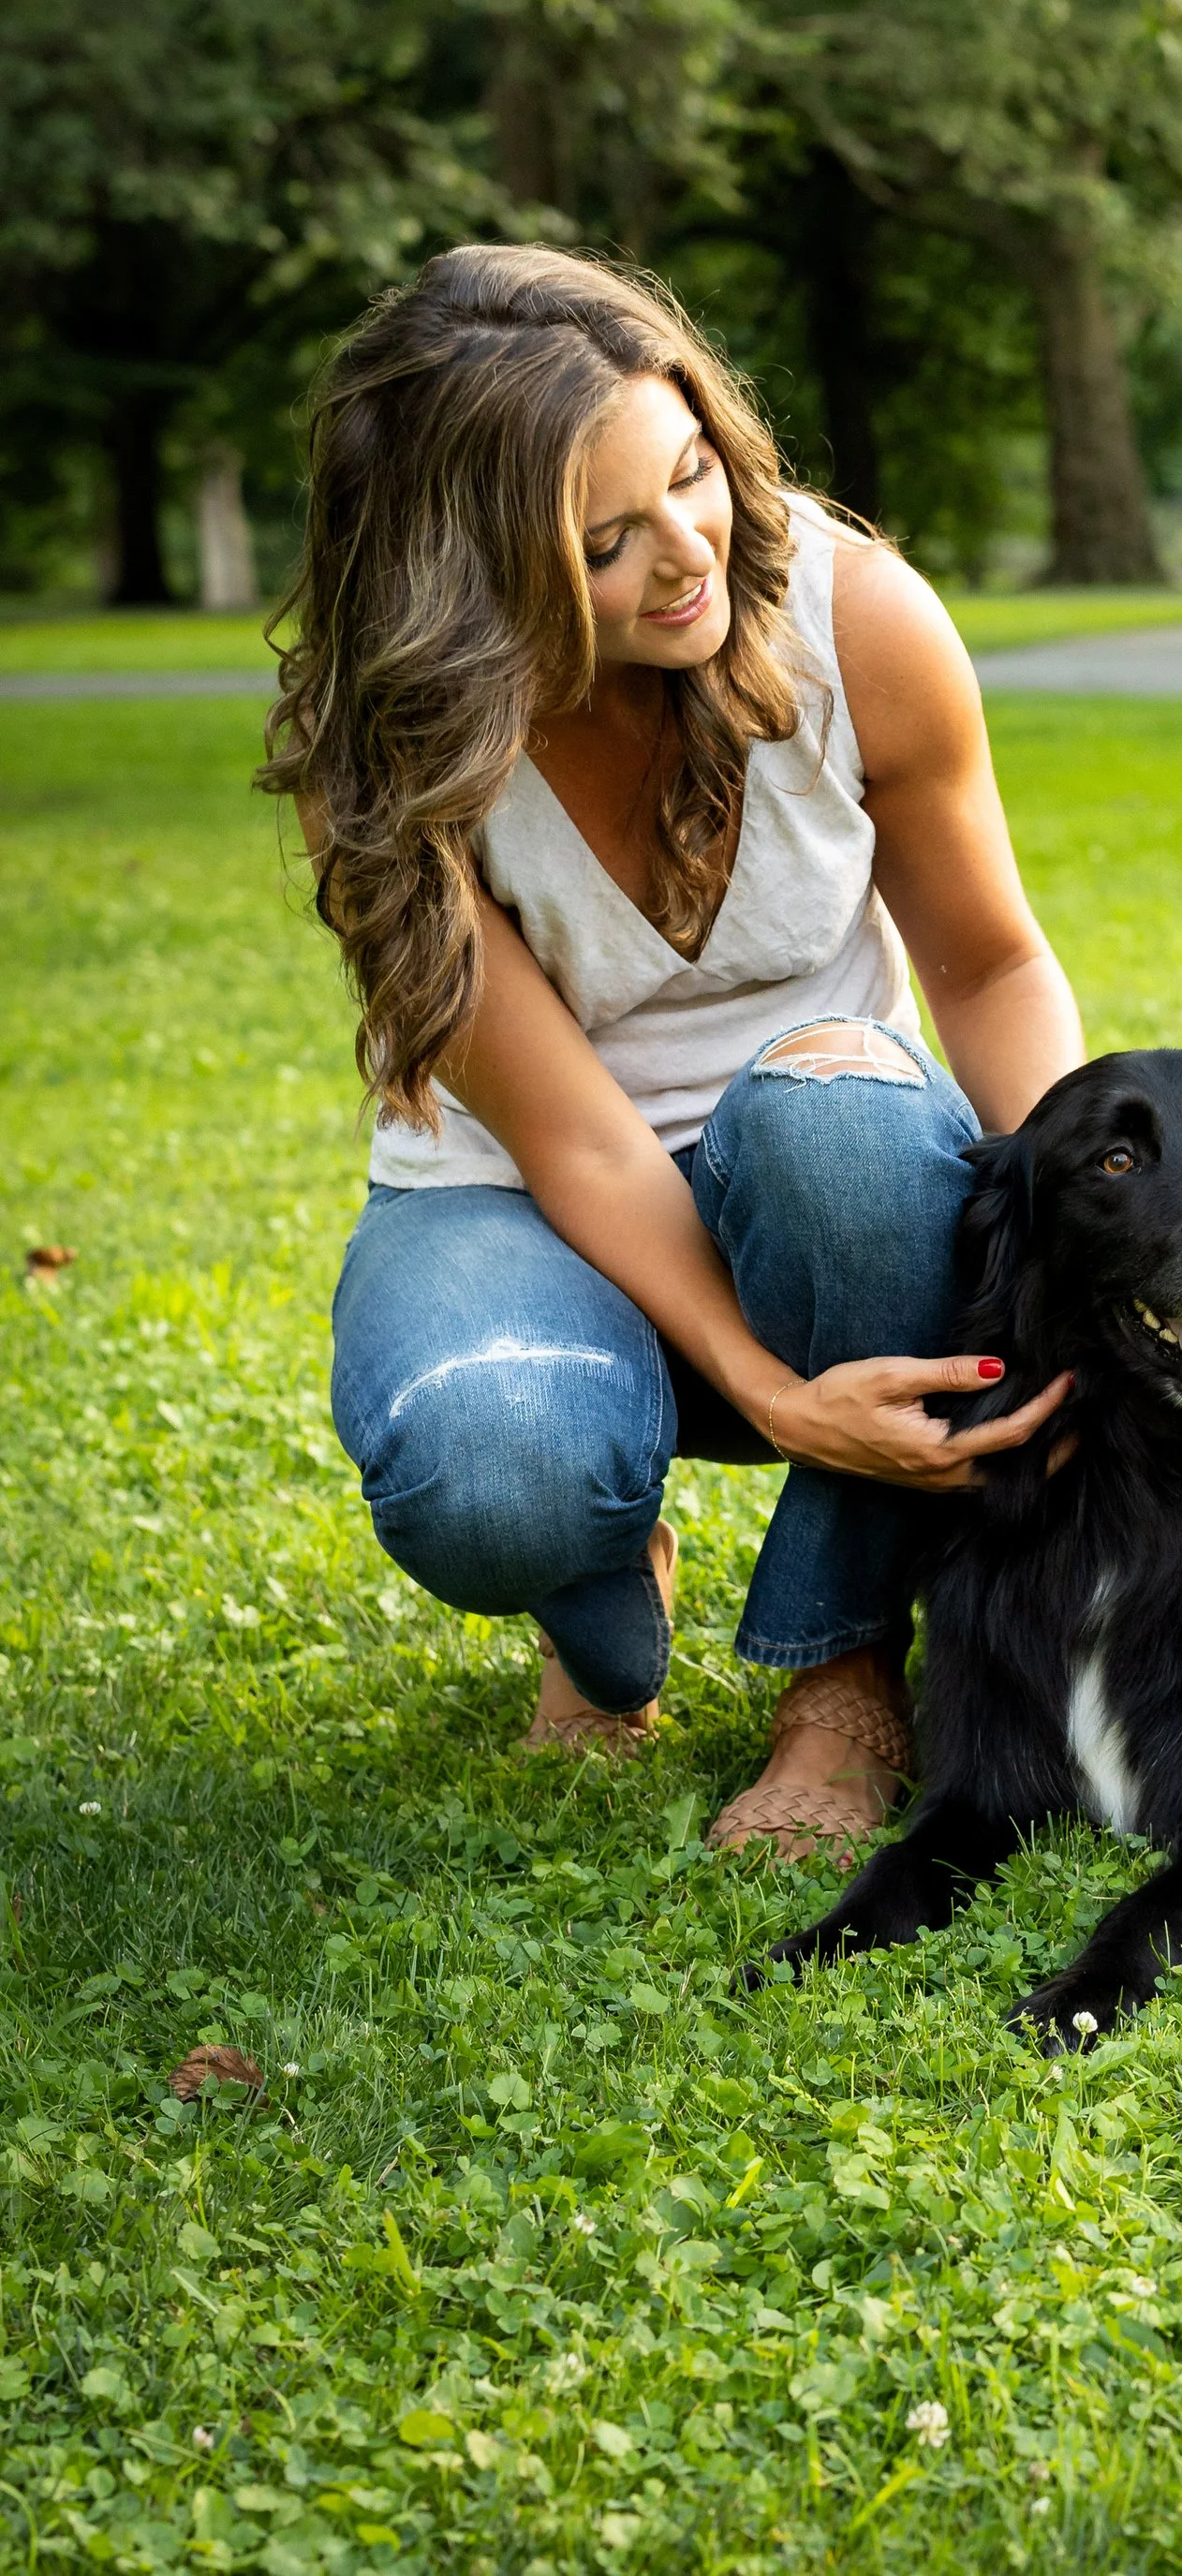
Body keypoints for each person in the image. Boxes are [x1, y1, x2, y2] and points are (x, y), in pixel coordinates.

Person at [264, 244, 1083, 1855]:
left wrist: (1073, 1228)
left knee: (842, 1131)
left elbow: (990, 961)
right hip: (524, 1193)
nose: (689, 551)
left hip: (835, 1184)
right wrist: (773, 1394)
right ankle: (597, 1569)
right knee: (495, 1465)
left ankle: (844, 1683)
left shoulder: (856, 614)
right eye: (604, 543)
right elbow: (576, 1139)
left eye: (692, 471)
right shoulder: (393, 754)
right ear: (468, 579)